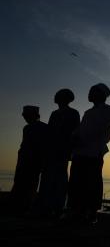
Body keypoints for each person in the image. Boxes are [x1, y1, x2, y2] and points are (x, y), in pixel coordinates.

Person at [67, 83, 110, 224]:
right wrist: (74, 137)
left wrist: (80, 138)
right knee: (76, 182)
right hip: (80, 152)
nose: (89, 93)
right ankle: (76, 210)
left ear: (101, 94)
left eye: (92, 91)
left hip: (94, 151)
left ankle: (91, 213)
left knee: (92, 182)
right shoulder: (88, 112)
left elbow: (99, 130)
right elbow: (80, 129)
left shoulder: (108, 110)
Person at [37, 89, 80, 217]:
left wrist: (70, 149)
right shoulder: (54, 114)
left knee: (59, 179)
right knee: (47, 178)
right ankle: (47, 206)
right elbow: (49, 132)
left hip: (62, 150)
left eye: (59, 95)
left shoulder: (73, 113)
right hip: (51, 150)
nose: (55, 97)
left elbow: (75, 132)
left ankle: (58, 207)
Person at [10, 105, 49, 214]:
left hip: (31, 160)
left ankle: (23, 206)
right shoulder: (31, 128)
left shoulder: (37, 128)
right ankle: (22, 206)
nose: (25, 118)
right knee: (25, 183)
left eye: (26, 116)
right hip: (27, 160)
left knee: (26, 183)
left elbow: (41, 146)